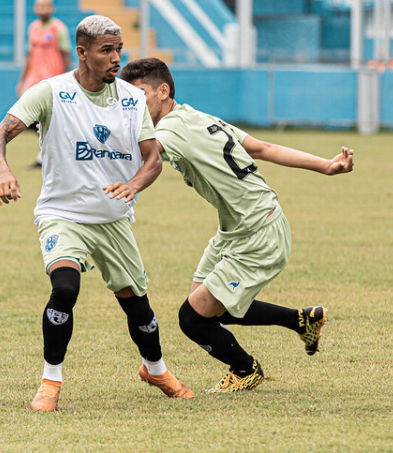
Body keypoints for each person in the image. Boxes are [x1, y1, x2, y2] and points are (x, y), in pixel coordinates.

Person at [0, 16, 196, 412]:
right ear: (81, 53)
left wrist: (133, 185)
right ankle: (50, 382)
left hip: (114, 218)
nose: (117, 58)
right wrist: (3, 171)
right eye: (106, 50)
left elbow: (152, 160)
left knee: (138, 306)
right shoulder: (50, 92)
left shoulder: (133, 100)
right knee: (65, 288)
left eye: (119, 49)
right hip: (62, 214)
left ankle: (156, 369)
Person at [120, 58, 354, 393]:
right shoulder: (197, 117)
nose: (133, 105)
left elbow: (144, 153)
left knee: (193, 318)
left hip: (259, 232)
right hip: (236, 229)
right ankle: (301, 320)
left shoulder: (170, 129)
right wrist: (326, 166)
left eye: (138, 96)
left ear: (163, 91)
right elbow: (263, 148)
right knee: (204, 310)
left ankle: (246, 370)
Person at [16, 0, 72, 167]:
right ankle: (46, 152)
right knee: (31, 118)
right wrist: (22, 80)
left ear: (52, 8)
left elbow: (66, 55)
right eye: (40, 6)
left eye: (46, 6)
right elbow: (29, 55)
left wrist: (65, 80)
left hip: (53, 80)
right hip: (34, 80)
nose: (43, 9)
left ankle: (50, 155)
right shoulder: (33, 27)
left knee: (54, 119)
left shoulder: (59, 29)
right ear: (35, 8)